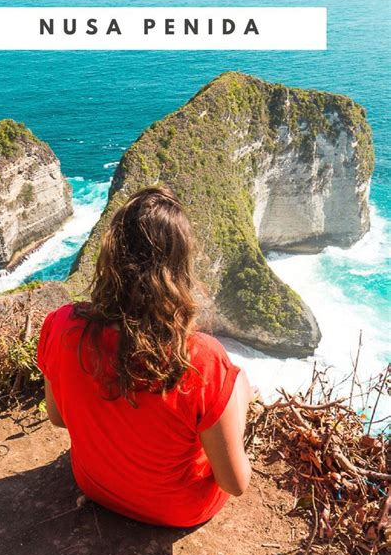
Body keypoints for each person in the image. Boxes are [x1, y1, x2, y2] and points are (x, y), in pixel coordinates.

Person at [37, 186, 257, 527]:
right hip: (179, 510)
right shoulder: (200, 359)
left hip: (95, 485)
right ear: (180, 269)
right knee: (239, 379)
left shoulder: (62, 324)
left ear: (109, 257)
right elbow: (235, 484)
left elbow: (58, 417)